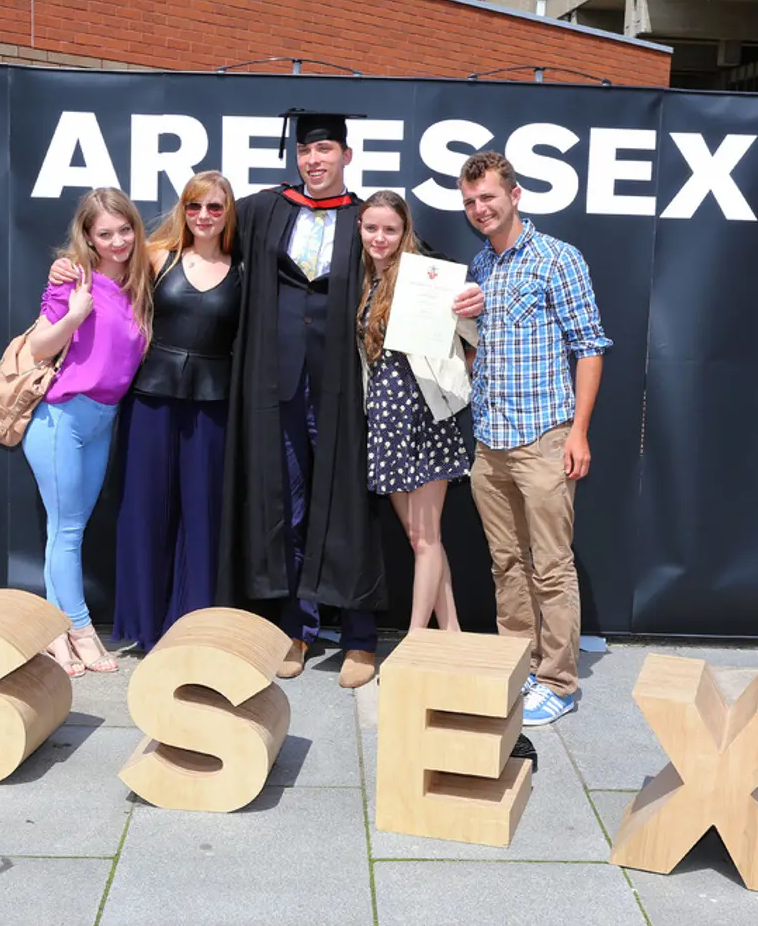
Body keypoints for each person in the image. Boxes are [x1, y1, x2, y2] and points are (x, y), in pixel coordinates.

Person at [216, 109, 485, 689]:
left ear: (346, 156)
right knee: (286, 509)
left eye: (326, 150)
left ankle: (360, 637)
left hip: (346, 389)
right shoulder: (265, 210)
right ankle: (296, 626)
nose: (314, 161)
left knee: (349, 513)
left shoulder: (367, 219)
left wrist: (465, 303)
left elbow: (424, 281)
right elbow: (204, 244)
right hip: (276, 385)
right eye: (306, 152)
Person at [48, 172, 241, 653]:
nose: (204, 216)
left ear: (228, 212)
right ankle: (145, 625)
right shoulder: (157, 256)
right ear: (183, 210)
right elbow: (103, 268)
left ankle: (193, 627)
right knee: (145, 508)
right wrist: (65, 268)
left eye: (215, 208)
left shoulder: (243, 268)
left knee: (202, 514)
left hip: (212, 403)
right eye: (195, 207)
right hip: (149, 397)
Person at [457, 150, 612, 726]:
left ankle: (559, 682)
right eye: (470, 201)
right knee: (505, 563)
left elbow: (590, 347)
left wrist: (579, 433)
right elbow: (480, 357)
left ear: (514, 195)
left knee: (550, 565)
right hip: (489, 441)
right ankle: (519, 664)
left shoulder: (557, 259)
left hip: (544, 437)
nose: (479, 208)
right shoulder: (479, 266)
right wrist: (455, 328)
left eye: (488, 197)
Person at [26, 187, 151, 677]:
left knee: (65, 529)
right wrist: (74, 314)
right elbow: (39, 347)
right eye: (105, 233)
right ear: (88, 237)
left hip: (104, 419)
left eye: (125, 230)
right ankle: (79, 628)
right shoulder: (74, 279)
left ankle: (53, 633)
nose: (117, 241)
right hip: (63, 418)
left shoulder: (144, 277)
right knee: (69, 530)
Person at [355, 190, 475, 633]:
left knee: (426, 539)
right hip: (386, 422)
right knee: (419, 538)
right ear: (361, 229)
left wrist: (467, 307)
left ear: (405, 232)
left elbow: (472, 334)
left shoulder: (428, 277)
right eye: (372, 228)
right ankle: (453, 634)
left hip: (424, 416)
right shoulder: (364, 279)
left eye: (390, 229)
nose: (380, 237)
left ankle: (416, 641)